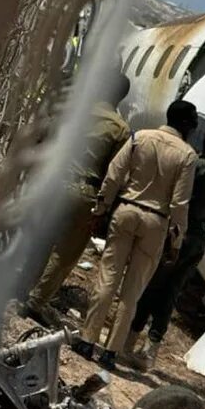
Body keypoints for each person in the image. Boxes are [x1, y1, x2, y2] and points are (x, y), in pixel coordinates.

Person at [72, 100, 199, 370]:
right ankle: (111, 351)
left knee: (108, 277)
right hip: (156, 222)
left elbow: (114, 174)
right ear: (187, 125)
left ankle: (86, 339)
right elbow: (179, 203)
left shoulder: (140, 137)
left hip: (127, 210)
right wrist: (176, 240)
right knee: (133, 290)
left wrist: (102, 207)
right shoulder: (187, 155)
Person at [124, 122, 205, 371]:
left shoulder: (196, 165)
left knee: (152, 286)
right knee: (171, 294)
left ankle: (129, 340)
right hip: (198, 237)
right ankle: (151, 350)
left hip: (177, 232)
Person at [20, 75, 132, 326]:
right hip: (85, 192)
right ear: (121, 97)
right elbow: (114, 174)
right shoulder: (120, 128)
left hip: (53, 183)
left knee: (40, 238)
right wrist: (104, 209)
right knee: (66, 252)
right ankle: (36, 301)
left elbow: (44, 139)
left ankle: (21, 287)